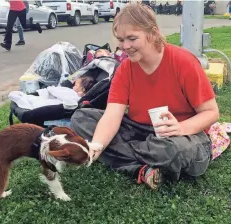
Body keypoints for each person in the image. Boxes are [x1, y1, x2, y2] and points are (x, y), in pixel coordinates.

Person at [70, 3, 219, 190]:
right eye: (121, 40)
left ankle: (127, 157)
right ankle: (143, 168)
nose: (125, 47)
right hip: (139, 129)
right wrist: (97, 146)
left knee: (173, 150)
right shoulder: (124, 69)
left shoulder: (183, 62)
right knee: (80, 118)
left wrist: (180, 128)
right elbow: (111, 116)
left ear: (153, 33)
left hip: (181, 136)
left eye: (132, 38)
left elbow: (211, 113)